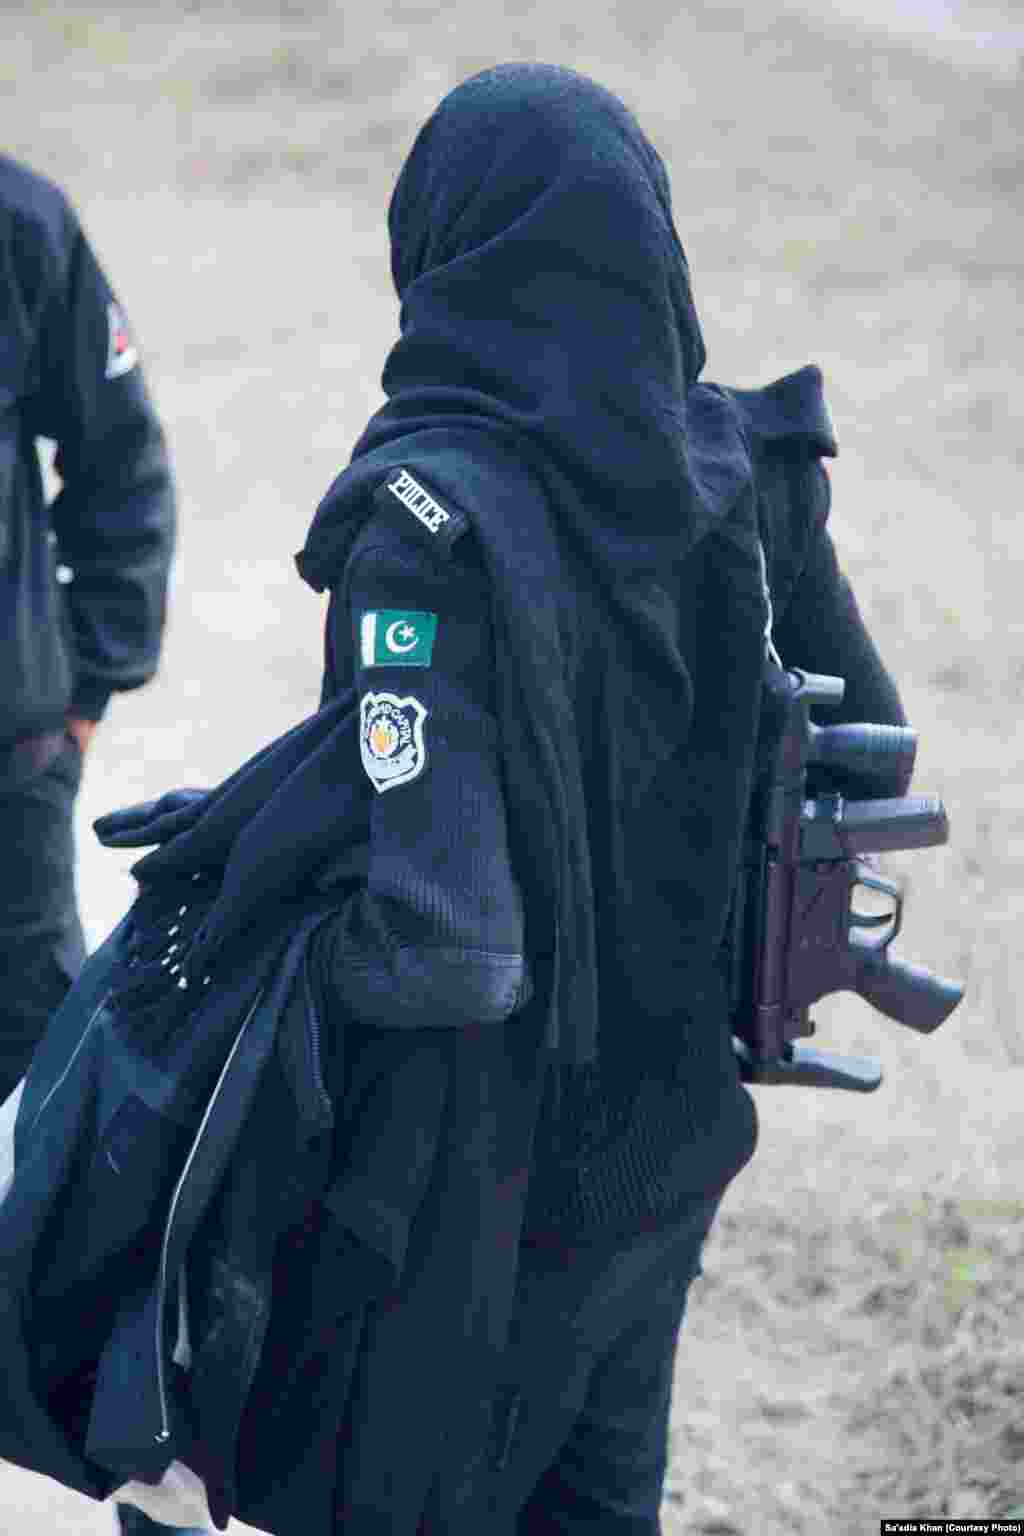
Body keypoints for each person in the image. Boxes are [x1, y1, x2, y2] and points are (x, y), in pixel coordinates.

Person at [290, 63, 912, 1534]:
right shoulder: (738, 463)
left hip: (465, 1195)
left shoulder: (425, 520)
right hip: (665, 1144)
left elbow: (453, 951)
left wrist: (279, 944)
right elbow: (875, 748)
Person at [0, 158, 193, 1536]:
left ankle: (135, 1462)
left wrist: (79, 684)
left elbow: (120, 457)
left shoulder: (19, 224)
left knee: (65, 1104)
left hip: (3, 776)